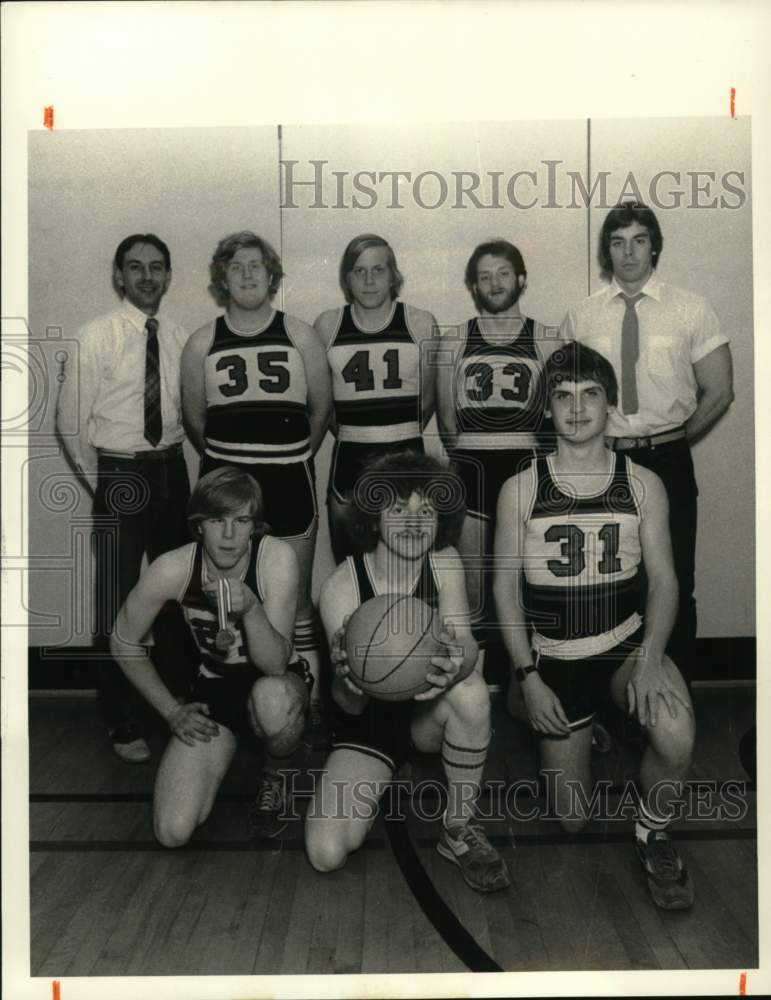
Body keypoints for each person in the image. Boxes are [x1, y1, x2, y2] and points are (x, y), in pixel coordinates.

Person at [494, 341, 696, 909]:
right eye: (562, 396)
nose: (577, 408)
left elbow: (665, 582)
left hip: (624, 645)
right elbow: (503, 592)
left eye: (590, 395)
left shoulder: (642, 483)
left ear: (610, 404)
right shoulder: (522, 488)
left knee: (676, 730)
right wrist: (529, 676)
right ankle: (522, 701)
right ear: (547, 409)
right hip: (554, 659)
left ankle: (653, 830)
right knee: (572, 822)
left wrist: (652, 658)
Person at [305, 451, 510, 894]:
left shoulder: (446, 562)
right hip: (369, 722)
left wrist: (458, 664)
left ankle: (458, 827)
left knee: (472, 691)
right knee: (326, 853)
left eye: (427, 510)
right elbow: (346, 704)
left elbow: (467, 646)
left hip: (425, 713)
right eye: (398, 510)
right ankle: (385, 775)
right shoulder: (341, 586)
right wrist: (348, 678)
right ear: (373, 520)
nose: (415, 523)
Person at [560, 201, 733, 682]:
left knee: (674, 581)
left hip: (669, 461)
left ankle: (672, 703)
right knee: (608, 582)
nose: (629, 252)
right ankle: (611, 706)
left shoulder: (691, 308)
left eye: (638, 240)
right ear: (606, 251)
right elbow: (565, 397)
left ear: (654, 245)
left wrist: (672, 440)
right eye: (617, 242)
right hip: (604, 463)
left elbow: (721, 391)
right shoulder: (582, 316)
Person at [181, 231, 332, 744]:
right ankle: (231, 706)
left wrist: (285, 458)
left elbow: (320, 411)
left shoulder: (300, 335)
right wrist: (235, 465)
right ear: (221, 278)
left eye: (256, 266)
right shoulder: (202, 341)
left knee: (298, 599)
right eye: (236, 266)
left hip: (289, 480)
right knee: (224, 598)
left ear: (272, 276)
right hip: (226, 485)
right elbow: (196, 420)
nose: (247, 274)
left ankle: (303, 708)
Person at [110, 467, 312, 842]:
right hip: (215, 688)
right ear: (198, 524)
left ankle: (280, 769)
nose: (230, 535)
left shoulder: (276, 558)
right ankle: (229, 748)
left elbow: (274, 663)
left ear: (255, 526)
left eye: (242, 520)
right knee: (173, 831)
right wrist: (171, 711)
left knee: (270, 700)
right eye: (217, 520)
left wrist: (251, 608)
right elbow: (123, 641)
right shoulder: (173, 568)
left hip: (275, 684)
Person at [56, 234, 191, 763]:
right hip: (120, 473)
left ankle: (178, 705)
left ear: (168, 275)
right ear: (119, 276)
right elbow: (71, 422)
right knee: (116, 600)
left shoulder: (180, 337)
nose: (147, 278)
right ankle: (120, 718)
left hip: (172, 471)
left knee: (179, 594)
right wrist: (107, 485)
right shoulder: (96, 336)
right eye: (135, 268)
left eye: (157, 267)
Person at [435, 239, 556, 699]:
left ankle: (523, 686)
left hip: (525, 467)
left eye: (503, 273)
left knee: (525, 581)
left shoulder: (546, 339)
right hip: (471, 466)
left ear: (521, 278)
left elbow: (553, 419)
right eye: (484, 276)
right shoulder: (455, 339)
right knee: (470, 585)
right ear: (472, 285)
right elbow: (447, 423)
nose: (494, 283)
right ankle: (474, 688)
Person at [314, 234, 438, 562]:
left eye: (378, 270)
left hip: (407, 453)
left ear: (393, 275)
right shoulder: (328, 325)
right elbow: (324, 407)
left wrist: (394, 431)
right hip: (350, 459)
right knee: (351, 566)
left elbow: (427, 402)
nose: (369, 280)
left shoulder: (420, 322)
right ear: (346, 278)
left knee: (410, 564)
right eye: (359, 271)